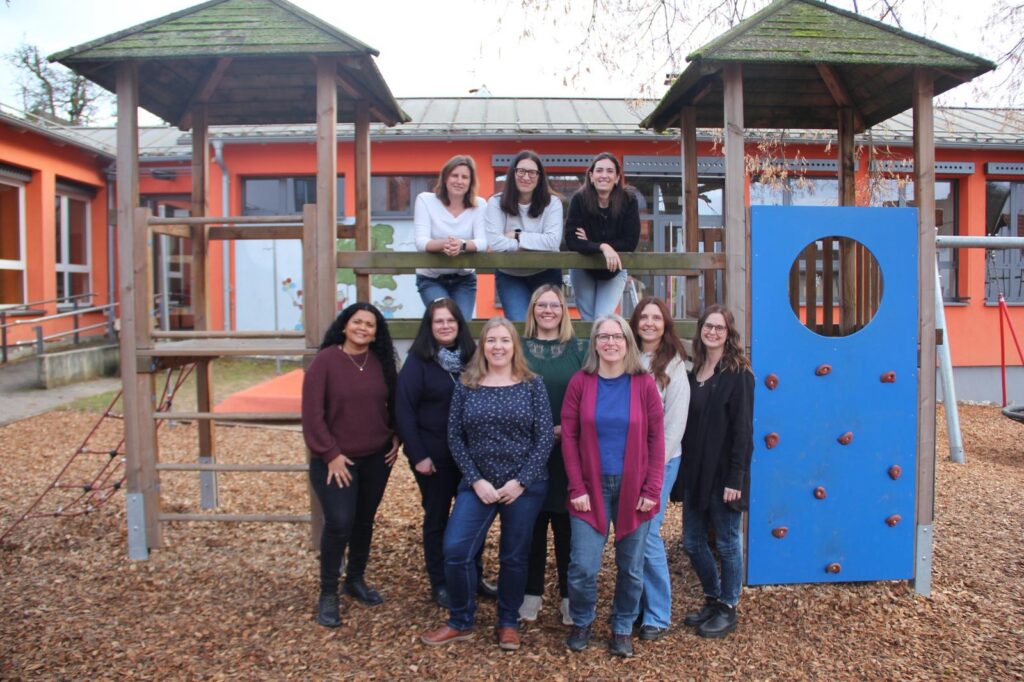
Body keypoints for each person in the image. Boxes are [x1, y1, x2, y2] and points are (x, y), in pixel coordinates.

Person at [421, 318, 553, 651]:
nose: (497, 347)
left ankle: (508, 622)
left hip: (522, 487)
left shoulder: (532, 384)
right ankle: (460, 620)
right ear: (483, 346)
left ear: (514, 346)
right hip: (478, 484)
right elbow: (455, 437)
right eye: (491, 340)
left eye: (504, 340)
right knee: (456, 550)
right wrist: (476, 479)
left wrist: (520, 482)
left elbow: (544, 438)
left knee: (514, 556)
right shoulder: (468, 384)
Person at [561, 315, 665, 658]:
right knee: (583, 566)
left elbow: (656, 439)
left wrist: (652, 489)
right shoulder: (580, 382)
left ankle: (622, 626)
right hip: (590, 487)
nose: (610, 342)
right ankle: (581, 620)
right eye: (603, 336)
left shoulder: (643, 384)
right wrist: (576, 487)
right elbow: (569, 438)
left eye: (617, 336)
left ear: (627, 342)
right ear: (594, 343)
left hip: (634, 487)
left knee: (631, 568)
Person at [301, 302, 401, 628]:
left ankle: (355, 579)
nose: (363, 328)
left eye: (370, 325)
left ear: (376, 333)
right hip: (335, 460)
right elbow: (312, 415)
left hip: (376, 458)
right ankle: (328, 592)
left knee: (363, 520)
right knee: (340, 522)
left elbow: (395, 403)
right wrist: (330, 454)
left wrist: (396, 435)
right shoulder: (325, 361)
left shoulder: (381, 362)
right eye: (357, 322)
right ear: (344, 325)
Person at [396, 298, 497, 610]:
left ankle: (473, 576)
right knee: (437, 519)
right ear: (429, 326)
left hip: (471, 457)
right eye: (438, 321)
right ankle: (440, 582)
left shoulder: (471, 358)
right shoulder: (419, 362)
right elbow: (404, 411)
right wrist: (418, 455)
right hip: (434, 458)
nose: (445, 326)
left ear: (459, 324)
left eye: (450, 321)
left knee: (473, 519)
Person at [672, 304, 754, 639]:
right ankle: (713, 597)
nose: (713, 332)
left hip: (723, 476)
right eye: (708, 326)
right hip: (696, 472)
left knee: (728, 543)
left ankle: (728, 607)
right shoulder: (694, 371)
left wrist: (736, 478)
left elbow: (743, 432)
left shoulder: (739, 374)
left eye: (720, 327)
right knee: (692, 541)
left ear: (729, 333)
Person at [518, 285, 587, 625]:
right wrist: (540, 432)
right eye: (541, 304)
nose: (548, 310)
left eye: (555, 305)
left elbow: (590, 396)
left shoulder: (580, 350)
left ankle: (568, 596)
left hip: (568, 449)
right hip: (526, 450)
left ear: (564, 310)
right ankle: (530, 593)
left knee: (566, 526)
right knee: (530, 523)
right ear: (532, 309)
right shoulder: (517, 348)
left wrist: (566, 429)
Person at [628, 296, 690, 641]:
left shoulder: (674, 365)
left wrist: (653, 466)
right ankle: (636, 604)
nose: (649, 323)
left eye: (656, 318)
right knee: (631, 533)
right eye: (644, 317)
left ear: (665, 324)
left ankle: (658, 613)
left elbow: (674, 423)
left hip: (661, 461)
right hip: (626, 461)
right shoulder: (626, 357)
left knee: (649, 532)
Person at [484, 151, 564, 321]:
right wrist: (532, 245)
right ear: (513, 173)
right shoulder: (496, 202)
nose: (526, 177)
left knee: (547, 324)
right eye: (521, 171)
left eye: (532, 172)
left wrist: (516, 236)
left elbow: (552, 242)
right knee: (519, 324)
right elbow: (495, 243)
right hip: (509, 274)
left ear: (539, 177)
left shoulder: (552, 203)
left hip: (546, 272)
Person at [564, 153, 640, 321]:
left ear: (617, 177)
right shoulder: (579, 200)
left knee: (602, 318)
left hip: (614, 270)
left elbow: (630, 242)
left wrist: (589, 242)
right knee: (588, 320)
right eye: (599, 170)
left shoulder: (629, 200)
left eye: (609, 171)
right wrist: (603, 247)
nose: (604, 175)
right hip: (583, 267)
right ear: (591, 176)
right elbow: (572, 241)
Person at [414, 155, 488, 319]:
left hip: (464, 279)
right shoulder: (425, 200)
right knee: (445, 320)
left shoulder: (480, 205)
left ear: (471, 182)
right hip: (431, 278)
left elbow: (483, 242)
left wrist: (461, 245)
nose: (459, 181)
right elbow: (421, 242)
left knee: (461, 326)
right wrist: (445, 244)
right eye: (455, 175)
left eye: (465, 177)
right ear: (445, 177)